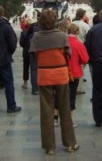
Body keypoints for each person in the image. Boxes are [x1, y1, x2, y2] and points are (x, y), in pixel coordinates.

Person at [29, 9, 79, 155]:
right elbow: (68, 54)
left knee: (46, 111)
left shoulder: (36, 37)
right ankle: (70, 143)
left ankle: (49, 146)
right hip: (61, 74)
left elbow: (33, 56)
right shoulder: (62, 36)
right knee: (64, 109)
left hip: (44, 75)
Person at [67, 23, 89, 125]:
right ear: (77, 32)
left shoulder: (63, 42)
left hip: (62, 72)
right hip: (74, 72)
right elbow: (85, 59)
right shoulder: (79, 44)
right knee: (72, 95)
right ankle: (69, 119)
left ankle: (55, 118)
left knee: (59, 95)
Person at [72, 8, 90, 94]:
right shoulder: (85, 25)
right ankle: (78, 88)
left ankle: (71, 85)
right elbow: (89, 37)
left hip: (72, 46)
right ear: (82, 15)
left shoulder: (72, 24)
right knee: (81, 68)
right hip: (82, 46)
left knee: (73, 65)